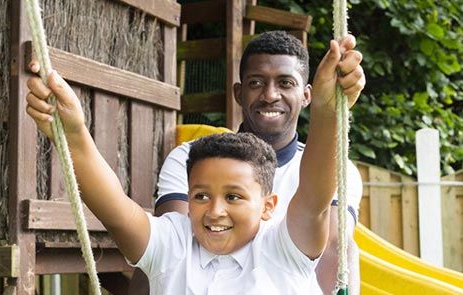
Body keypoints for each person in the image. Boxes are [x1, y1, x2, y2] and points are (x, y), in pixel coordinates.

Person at [25, 29, 361, 293]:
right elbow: (114, 206)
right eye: (200, 195)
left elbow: (314, 198)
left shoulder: (285, 248)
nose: (214, 210)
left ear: (268, 206)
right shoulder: (174, 242)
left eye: (233, 197)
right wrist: (73, 135)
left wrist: (329, 111)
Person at [154, 31, 365, 294]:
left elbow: (333, 246)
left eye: (286, 83)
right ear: (239, 93)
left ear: (307, 95)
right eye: (256, 83)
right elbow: (174, 246)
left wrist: (329, 110)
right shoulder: (189, 158)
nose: (270, 95)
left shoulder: (338, 170)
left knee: (348, 245)